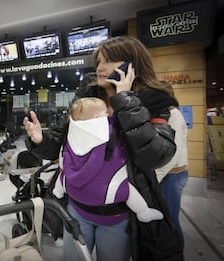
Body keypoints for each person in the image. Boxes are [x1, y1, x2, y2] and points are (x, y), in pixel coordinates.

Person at [23, 36, 182, 261]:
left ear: (132, 65)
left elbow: (155, 156)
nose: (100, 67)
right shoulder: (87, 97)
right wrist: (40, 140)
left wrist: (126, 100)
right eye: (99, 61)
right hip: (76, 208)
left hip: (118, 213)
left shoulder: (154, 101)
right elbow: (60, 142)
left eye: (109, 61)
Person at [53, 97, 163, 223]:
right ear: (95, 119)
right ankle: (144, 213)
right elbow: (123, 123)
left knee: (63, 176)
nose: (107, 115)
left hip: (72, 191)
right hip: (106, 194)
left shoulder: (72, 133)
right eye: (104, 113)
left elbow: (63, 160)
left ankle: (58, 192)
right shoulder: (107, 130)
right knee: (128, 191)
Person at [156, 81, 188, 249]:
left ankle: (176, 253)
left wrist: (156, 177)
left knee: (170, 220)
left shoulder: (174, 114)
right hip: (167, 174)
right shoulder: (164, 113)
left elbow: (173, 153)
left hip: (173, 175)